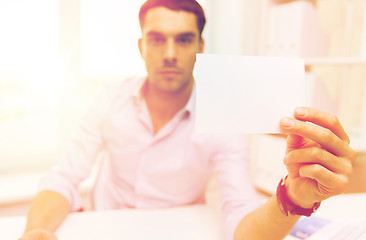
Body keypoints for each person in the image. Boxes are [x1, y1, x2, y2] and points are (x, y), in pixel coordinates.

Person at [19, 0, 356, 239]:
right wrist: (37, 229)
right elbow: (64, 177)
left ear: (200, 46)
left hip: (177, 231)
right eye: (156, 39)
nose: (169, 53)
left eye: (182, 39)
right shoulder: (110, 99)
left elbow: (240, 217)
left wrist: (293, 197)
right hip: (110, 227)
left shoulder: (222, 117)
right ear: (141, 46)